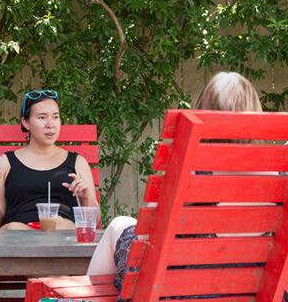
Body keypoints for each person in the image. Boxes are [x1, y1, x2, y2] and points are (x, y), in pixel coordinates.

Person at [86, 72, 262, 284]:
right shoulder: (280, 174)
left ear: (202, 111)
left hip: (178, 293)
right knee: (122, 224)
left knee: (118, 225)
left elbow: (148, 236)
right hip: (244, 297)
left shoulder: (190, 170)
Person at [0, 90, 98, 230]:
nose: (50, 124)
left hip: (62, 235)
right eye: (42, 118)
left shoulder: (78, 163)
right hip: (20, 237)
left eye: (55, 117)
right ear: (26, 122)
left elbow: (94, 222)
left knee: (59, 224)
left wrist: (86, 197)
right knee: (13, 228)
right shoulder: (6, 163)